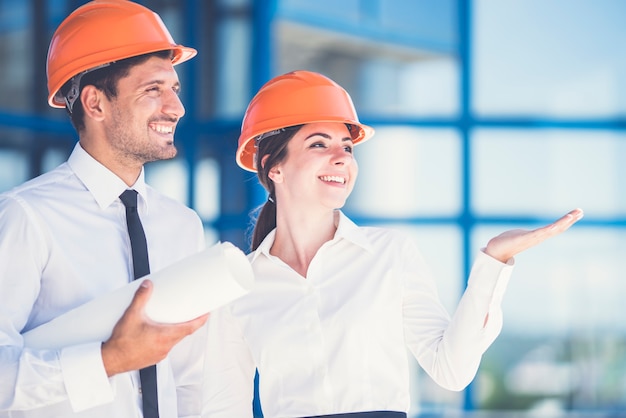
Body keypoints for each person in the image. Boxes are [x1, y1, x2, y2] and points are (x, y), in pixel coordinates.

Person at [201, 70, 584, 418]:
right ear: (274, 166)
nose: (341, 159)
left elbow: (450, 369)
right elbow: (223, 407)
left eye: (347, 148)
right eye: (319, 144)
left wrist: (494, 260)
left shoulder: (389, 253)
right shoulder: (238, 287)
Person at [0, 1, 210, 417]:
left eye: (174, 89)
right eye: (154, 90)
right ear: (95, 103)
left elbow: (190, 378)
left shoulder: (183, 226)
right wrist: (108, 360)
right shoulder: (26, 216)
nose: (176, 108)